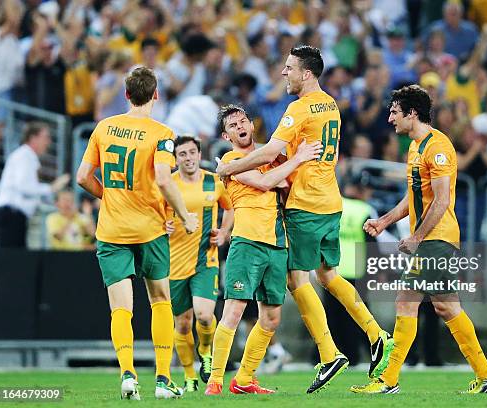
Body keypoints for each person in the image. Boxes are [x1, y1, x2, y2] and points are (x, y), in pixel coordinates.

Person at [216, 45, 394, 393]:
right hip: (331, 200)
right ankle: (376, 334)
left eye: (289, 68)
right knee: (328, 275)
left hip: (305, 205)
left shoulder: (299, 109)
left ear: (306, 73)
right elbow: (287, 153)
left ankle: (329, 354)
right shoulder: (331, 106)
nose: (284, 73)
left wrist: (228, 167)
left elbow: (269, 153)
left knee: (296, 280)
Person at [351, 85, 487, 394]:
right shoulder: (414, 147)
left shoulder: (439, 146)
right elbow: (414, 198)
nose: (390, 118)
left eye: (395, 112)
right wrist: (384, 221)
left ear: (412, 113)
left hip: (437, 238)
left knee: (405, 302)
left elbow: (443, 200)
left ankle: (388, 380)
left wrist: (417, 236)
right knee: (448, 309)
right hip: (431, 238)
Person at [76, 66, 198, 400]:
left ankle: (128, 374)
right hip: (150, 228)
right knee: (160, 300)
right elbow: (162, 177)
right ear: (155, 95)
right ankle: (162, 379)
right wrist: (186, 215)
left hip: (112, 229)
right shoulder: (162, 133)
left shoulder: (105, 127)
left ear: (126, 95)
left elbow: (83, 176)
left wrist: (110, 196)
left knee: (120, 308)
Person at [205, 104, 321, 395]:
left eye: (242, 121)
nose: (240, 126)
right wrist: (299, 158)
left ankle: (244, 379)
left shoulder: (270, 157)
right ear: (226, 135)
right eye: (233, 125)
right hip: (246, 242)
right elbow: (270, 180)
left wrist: (283, 169)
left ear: (251, 125)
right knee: (233, 311)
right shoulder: (231, 161)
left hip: (277, 243)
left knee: (271, 318)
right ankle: (215, 380)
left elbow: (283, 181)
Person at [166, 136, 233, 392]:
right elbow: (156, 216)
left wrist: (224, 232)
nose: (188, 158)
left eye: (192, 152)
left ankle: (205, 351)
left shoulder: (213, 181)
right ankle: (189, 375)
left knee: (204, 316)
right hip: (174, 264)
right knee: (182, 323)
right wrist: (165, 225)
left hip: (206, 260)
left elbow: (230, 208)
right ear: (176, 159)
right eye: (182, 154)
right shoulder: (167, 184)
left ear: (198, 153)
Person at [0, 122, 70, 248]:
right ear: (33, 138)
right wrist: (52, 187)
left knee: (13, 259)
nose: (48, 142)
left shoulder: (25, 156)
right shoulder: (24, 156)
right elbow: (24, 187)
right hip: (10, 216)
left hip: (12, 216)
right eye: (45, 137)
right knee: (11, 260)